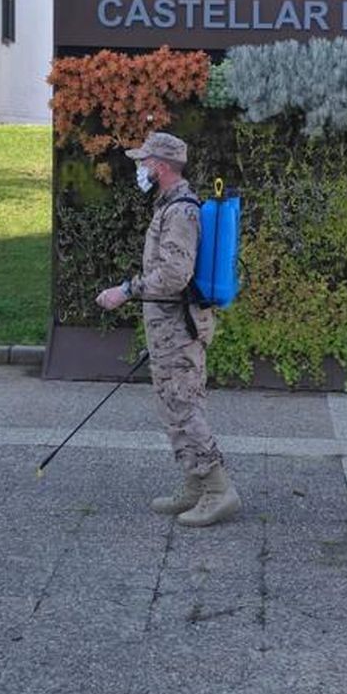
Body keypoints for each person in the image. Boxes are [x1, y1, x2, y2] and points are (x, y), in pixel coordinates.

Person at [96, 130, 240, 527]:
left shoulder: (180, 212)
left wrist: (125, 290)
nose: (139, 168)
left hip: (178, 330)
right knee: (172, 406)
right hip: (169, 330)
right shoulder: (170, 206)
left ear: (160, 166)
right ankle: (195, 486)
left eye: (144, 162)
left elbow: (174, 275)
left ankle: (218, 490)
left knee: (184, 407)